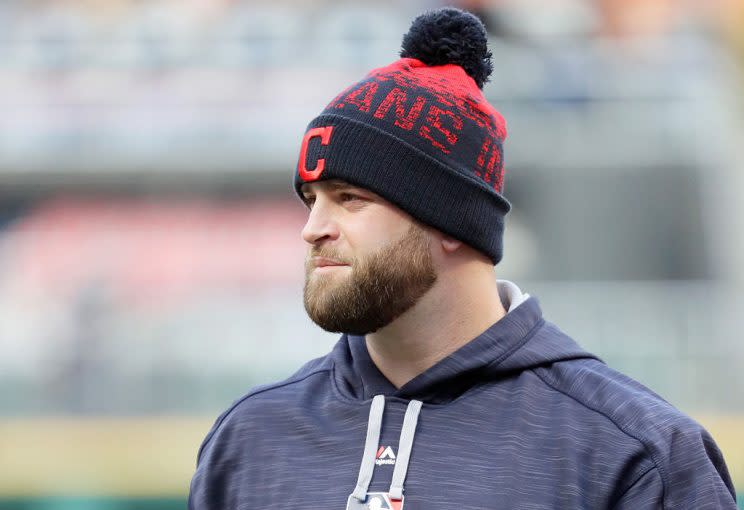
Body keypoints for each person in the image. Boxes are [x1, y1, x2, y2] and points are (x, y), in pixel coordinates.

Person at [189, 7, 737, 509]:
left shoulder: (632, 451)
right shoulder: (249, 439)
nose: (313, 230)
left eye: (349, 198)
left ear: (447, 218)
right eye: (312, 201)